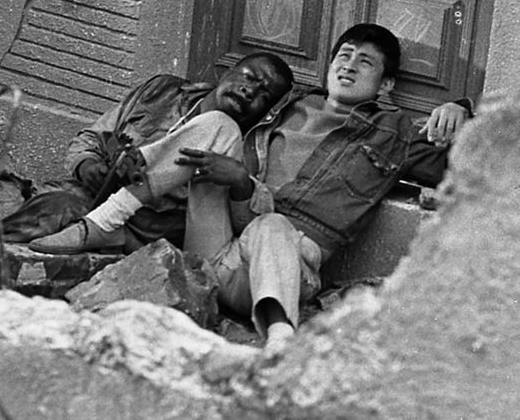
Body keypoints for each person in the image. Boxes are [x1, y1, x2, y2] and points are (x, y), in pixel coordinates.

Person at [173, 23, 471, 349]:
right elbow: (208, 110)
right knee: (215, 130)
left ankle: (279, 338)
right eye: (344, 55)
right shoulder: (281, 104)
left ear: (386, 84)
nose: (350, 65)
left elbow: (486, 155)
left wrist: (465, 108)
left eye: (365, 62)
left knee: (271, 225)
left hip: (283, 266)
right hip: (219, 244)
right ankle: (111, 219)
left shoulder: (393, 134)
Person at [28, 52, 293, 256]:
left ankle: (106, 220)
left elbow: (248, 229)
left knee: (223, 125)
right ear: (225, 73)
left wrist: (240, 181)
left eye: (263, 95)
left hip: (158, 234)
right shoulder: (162, 92)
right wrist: (88, 166)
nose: (250, 91)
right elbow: (93, 137)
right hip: (97, 198)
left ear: (266, 112)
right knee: (47, 210)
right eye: (248, 77)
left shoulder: (251, 146)